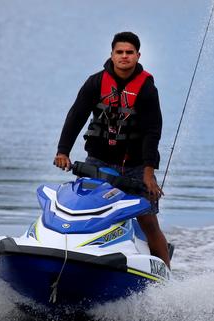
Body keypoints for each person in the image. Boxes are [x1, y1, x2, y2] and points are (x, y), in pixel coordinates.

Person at [53, 31, 170, 268]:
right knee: (83, 209)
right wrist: (63, 151)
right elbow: (76, 116)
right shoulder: (95, 82)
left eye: (129, 53)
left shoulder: (147, 89)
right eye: (120, 52)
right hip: (98, 161)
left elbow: (152, 132)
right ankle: (76, 256)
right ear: (112, 55)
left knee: (148, 222)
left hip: (137, 166)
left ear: (138, 55)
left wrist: (148, 173)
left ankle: (165, 275)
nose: (124, 57)